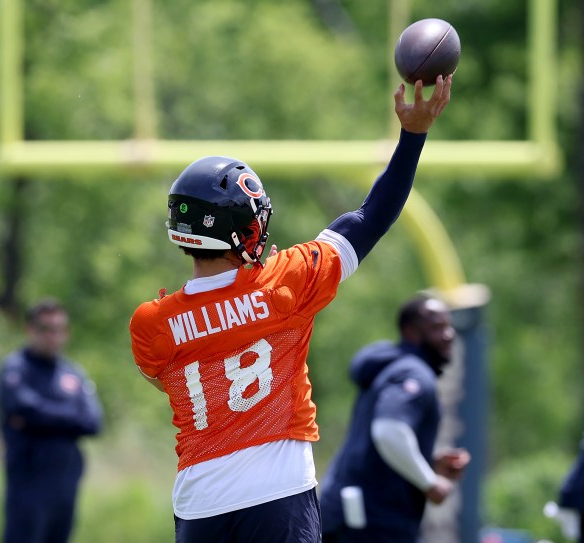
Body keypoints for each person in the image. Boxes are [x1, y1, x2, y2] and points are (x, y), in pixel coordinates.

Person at [129, 75, 453, 543]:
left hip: (199, 501)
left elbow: (167, 379)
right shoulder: (285, 282)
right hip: (278, 492)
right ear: (244, 228)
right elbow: (372, 216)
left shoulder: (152, 321)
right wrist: (414, 134)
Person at [319, 295, 470, 543]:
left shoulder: (394, 368)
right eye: (436, 327)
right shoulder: (414, 374)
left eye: (447, 325)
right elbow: (388, 431)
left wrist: (428, 462)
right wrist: (429, 481)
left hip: (350, 515)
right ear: (410, 332)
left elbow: (378, 449)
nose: (448, 334)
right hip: (372, 523)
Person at [0, 298, 103, 543]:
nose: (53, 336)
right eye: (46, 329)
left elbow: (93, 421)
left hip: (65, 486)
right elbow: (23, 407)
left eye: (59, 329)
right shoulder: (16, 368)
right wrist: (69, 417)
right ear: (30, 330)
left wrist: (42, 417)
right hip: (28, 485)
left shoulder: (72, 373)